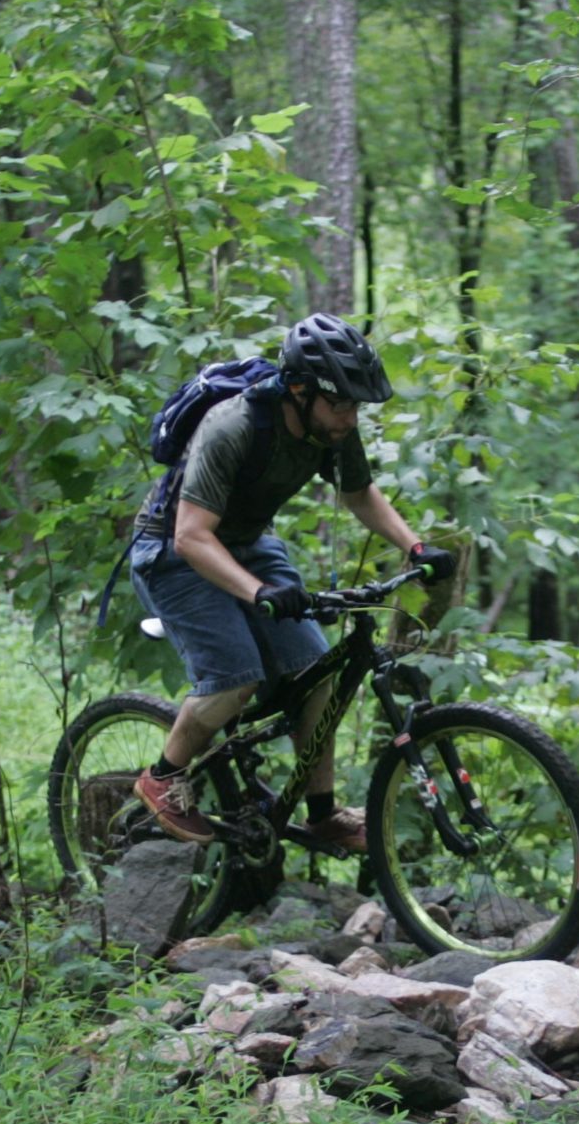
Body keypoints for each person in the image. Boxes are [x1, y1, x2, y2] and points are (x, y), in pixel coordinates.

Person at [127, 314, 456, 852]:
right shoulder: (233, 426)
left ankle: (323, 814)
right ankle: (162, 776)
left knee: (315, 670)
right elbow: (190, 537)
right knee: (236, 679)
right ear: (300, 390)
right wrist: (258, 592)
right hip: (172, 551)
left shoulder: (331, 427)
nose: (351, 417)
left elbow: (359, 494)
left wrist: (414, 546)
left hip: (247, 543)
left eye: (356, 405)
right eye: (342, 404)